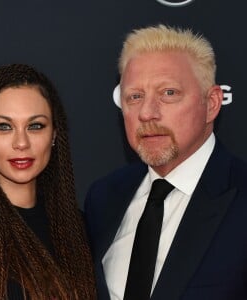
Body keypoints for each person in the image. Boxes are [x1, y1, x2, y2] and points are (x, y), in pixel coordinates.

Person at [85, 24, 247, 300]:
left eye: (168, 93)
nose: (147, 113)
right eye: (135, 97)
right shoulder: (103, 197)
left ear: (212, 103)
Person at [0, 63, 96, 299]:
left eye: (35, 126)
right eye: (4, 127)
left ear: (54, 134)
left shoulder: (79, 229)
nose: (21, 143)